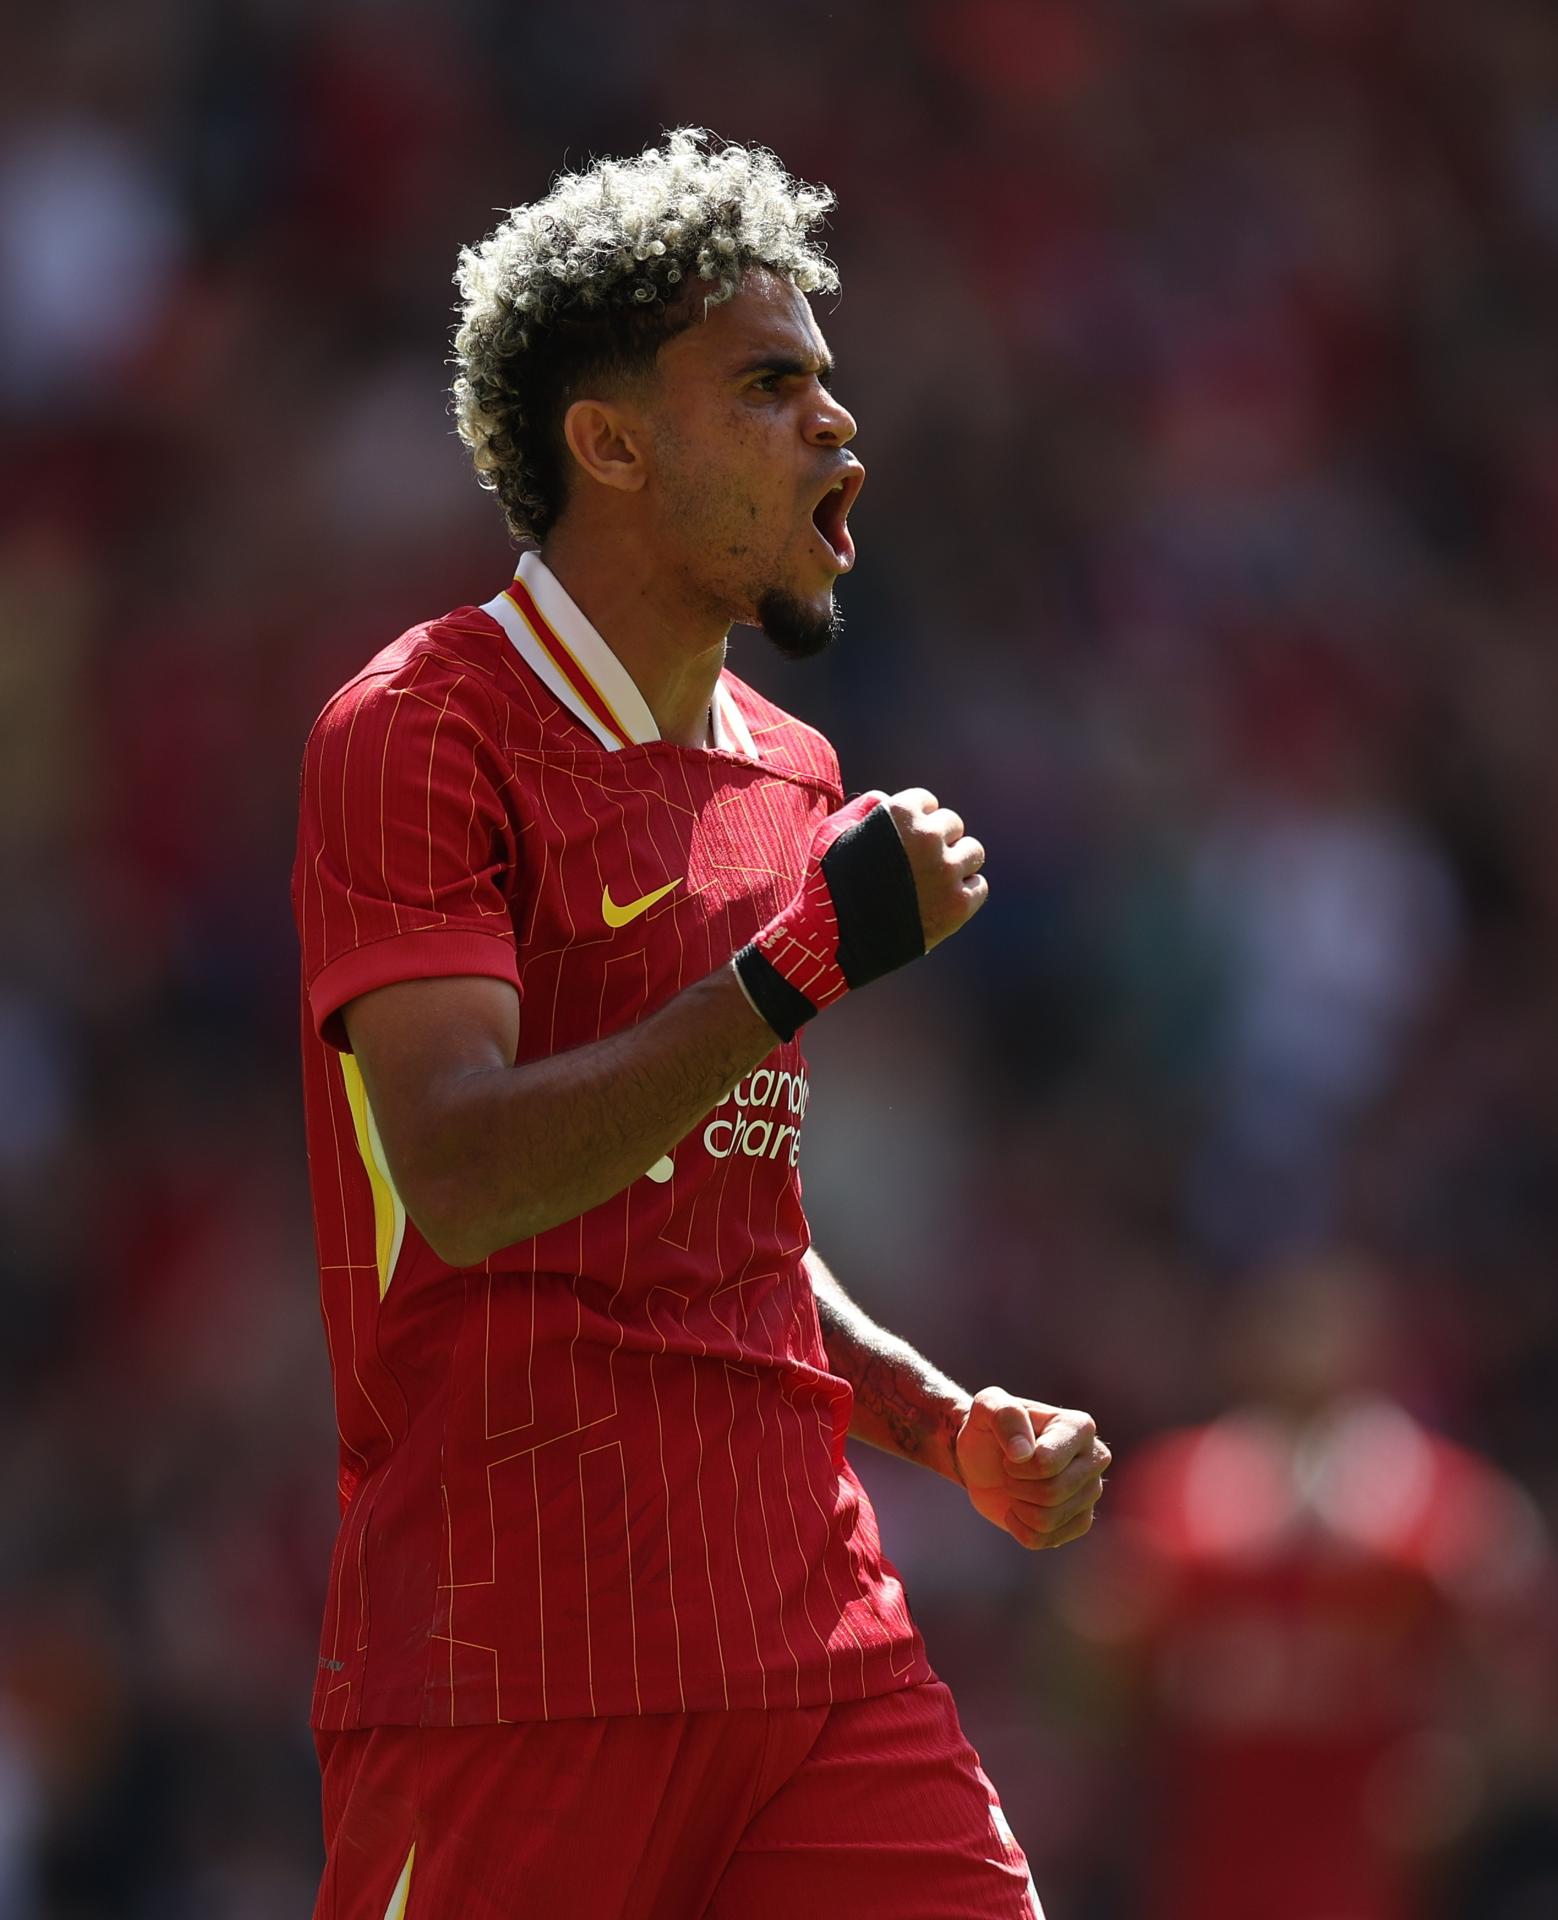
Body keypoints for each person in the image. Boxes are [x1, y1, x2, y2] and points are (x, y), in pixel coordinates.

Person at [292, 128, 1108, 1920]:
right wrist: (794, 969)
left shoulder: (792, 773)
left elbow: (714, 1200)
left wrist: (930, 1414)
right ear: (608, 442)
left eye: (830, 387)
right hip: (517, 1666)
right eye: (769, 384)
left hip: (811, 1649)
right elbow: (471, 1173)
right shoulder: (419, 729)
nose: (839, 429)